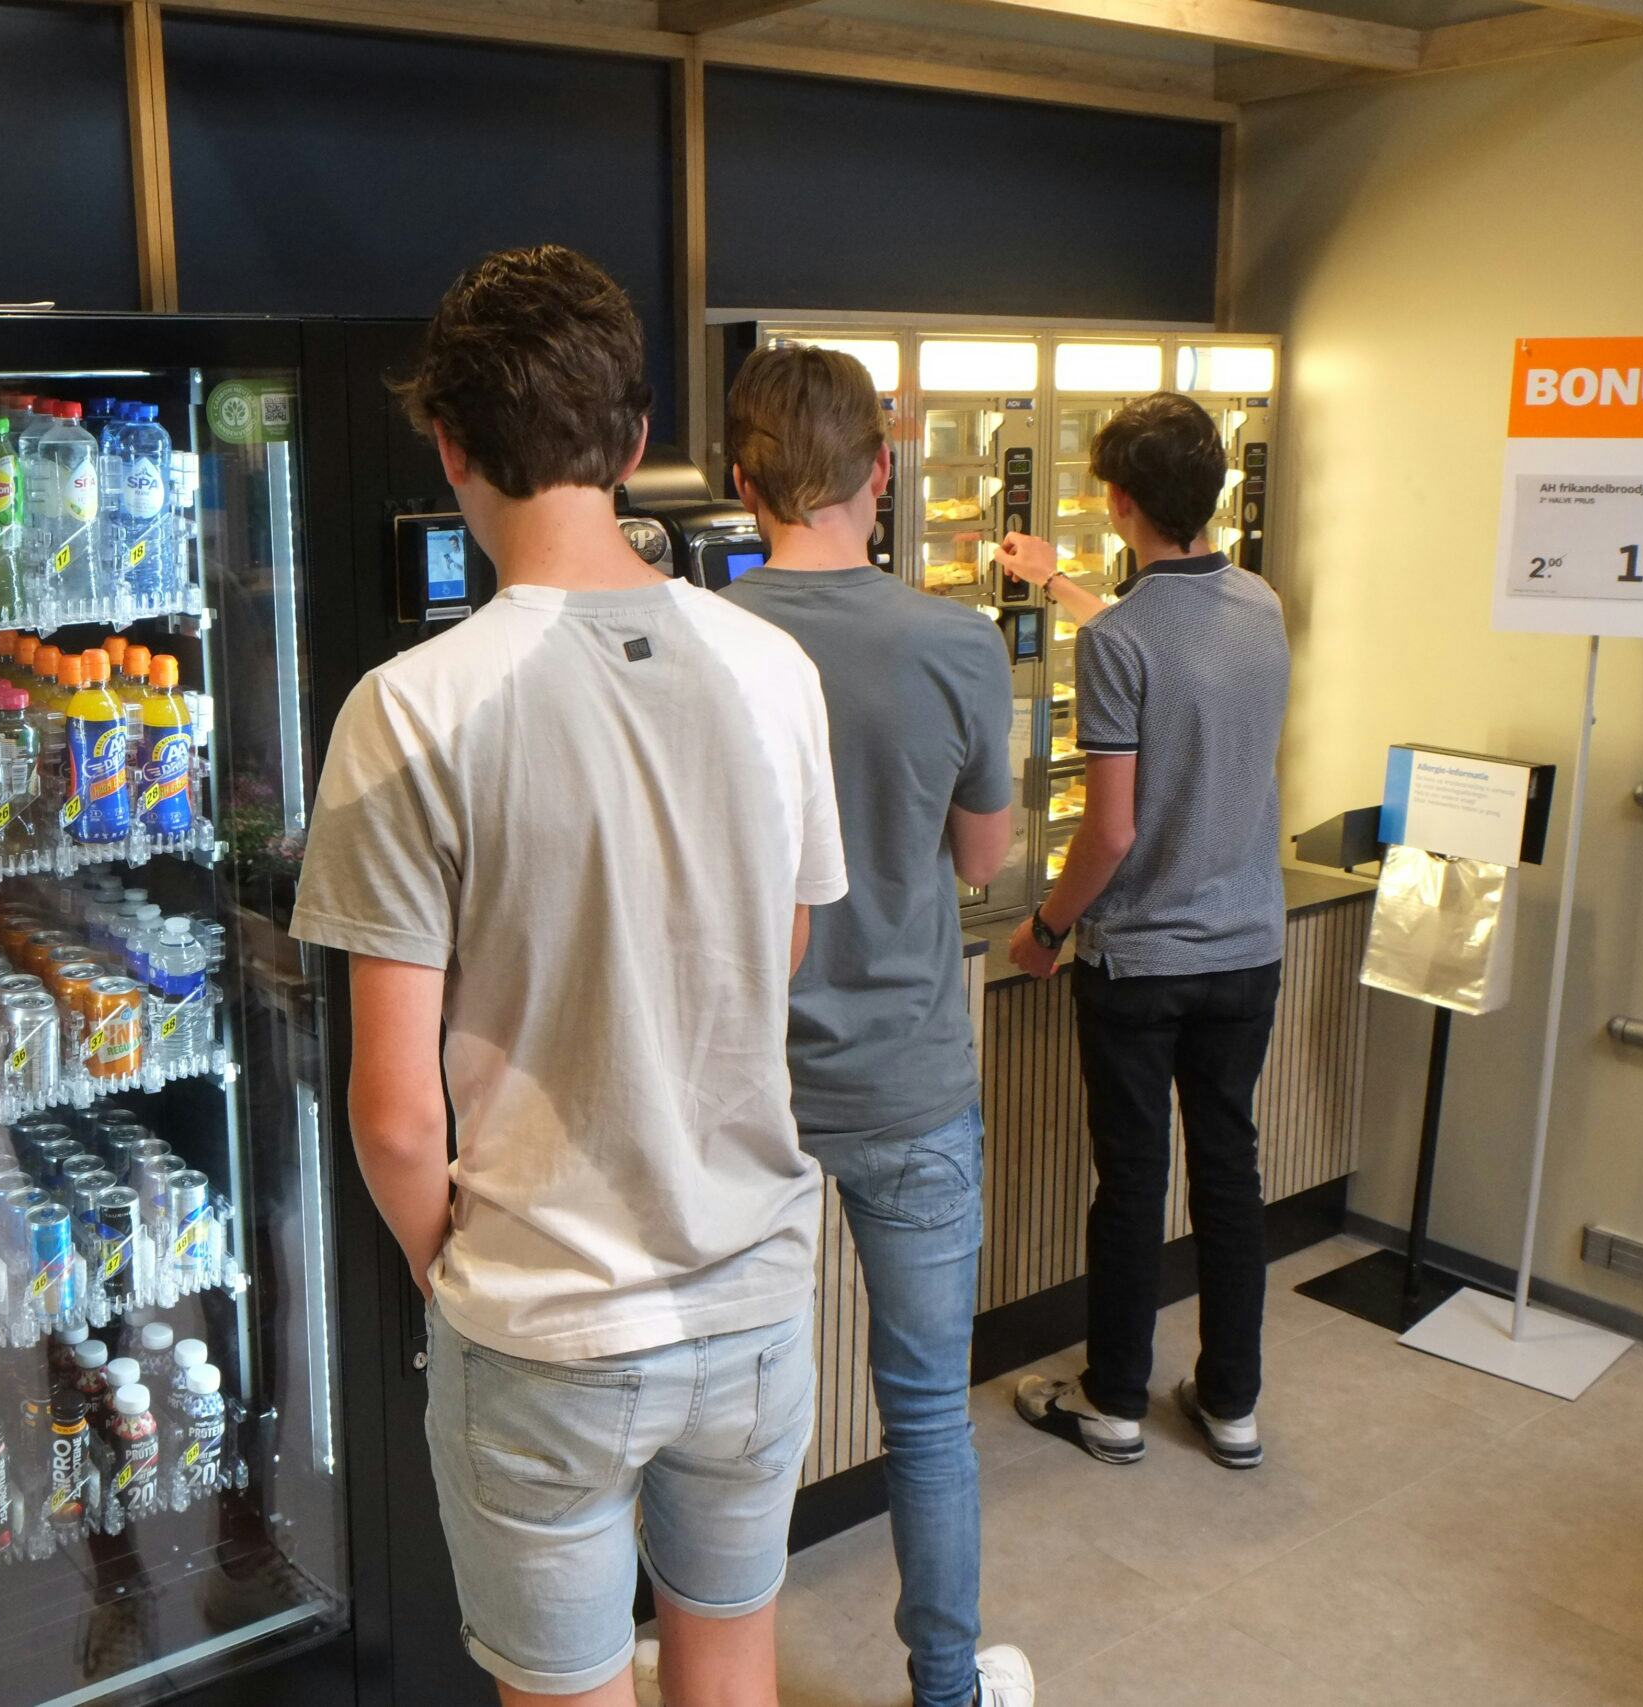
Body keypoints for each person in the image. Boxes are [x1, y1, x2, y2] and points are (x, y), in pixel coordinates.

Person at [290, 245, 847, 1707]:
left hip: (543, 1316)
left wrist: (448, 1268)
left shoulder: (406, 710)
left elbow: (398, 1111)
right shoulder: (772, 668)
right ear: (639, 441)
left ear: (450, 443)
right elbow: (781, 943)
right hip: (753, 1291)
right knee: (733, 1672)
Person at [717, 345, 1036, 1707]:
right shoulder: (956, 642)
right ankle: (947, 1687)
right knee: (925, 1412)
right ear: (883, 470)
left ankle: (708, 1667)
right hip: (910, 1080)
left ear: (741, 482)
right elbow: (986, 863)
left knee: (729, 1421)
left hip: (747, 1094)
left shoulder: (702, 634)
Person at [1003, 392, 1290, 1473]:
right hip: (1246, 953)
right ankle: (1231, 1406)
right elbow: (1173, 650)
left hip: (1137, 962)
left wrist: (1043, 927)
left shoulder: (1115, 648)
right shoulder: (1259, 603)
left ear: (1117, 501)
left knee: (1132, 1183)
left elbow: (1109, 832)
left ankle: (1114, 1400)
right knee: (1228, 1173)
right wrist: (1058, 582)